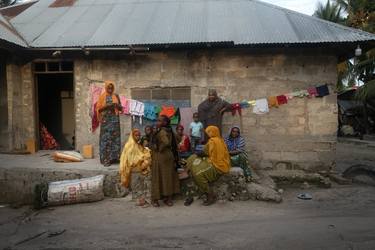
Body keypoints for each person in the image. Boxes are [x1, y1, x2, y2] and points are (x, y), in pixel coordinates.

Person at [186, 126, 231, 206]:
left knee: (198, 173)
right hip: (222, 163)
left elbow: (206, 152)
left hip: (217, 165)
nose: (207, 134)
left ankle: (210, 195)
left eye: (208, 132)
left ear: (212, 132)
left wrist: (198, 153)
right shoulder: (220, 140)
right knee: (194, 159)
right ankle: (189, 170)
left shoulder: (212, 141)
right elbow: (209, 152)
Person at [151, 115, 180, 207]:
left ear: (165, 122)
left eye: (159, 121)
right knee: (167, 178)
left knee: (158, 177)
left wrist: (160, 148)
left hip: (160, 157)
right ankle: (168, 199)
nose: (157, 122)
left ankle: (155, 199)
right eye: (157, 120)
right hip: (169, 156)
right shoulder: (170, 130)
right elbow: (176, 141)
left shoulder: (162, 131)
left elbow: (166, 142)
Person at [119, 129, 152, 206]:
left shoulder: (138, 145)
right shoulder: (129, 145)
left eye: (139, 135)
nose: (138, 137)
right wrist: (144, 158)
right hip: (134, 169)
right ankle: (138, 200)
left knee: (141, 185)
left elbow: (143, 153)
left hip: (140, 169)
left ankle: (142, 200)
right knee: (136, 185)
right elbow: (132, 160)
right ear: (132, 136)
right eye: (136, 135)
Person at [96, 81, 122, 166]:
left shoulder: (116, 96)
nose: (110, 89)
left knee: (115, 140)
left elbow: (121, 109)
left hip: (115, 122)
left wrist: (117, 106)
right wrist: (107, 106)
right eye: (108, 88)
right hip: (106, 122)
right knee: (106, 140)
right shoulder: (102, 97)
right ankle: (105, 160)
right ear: (106, 87)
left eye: (111, 88)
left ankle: (114, 158)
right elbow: (98, 109)